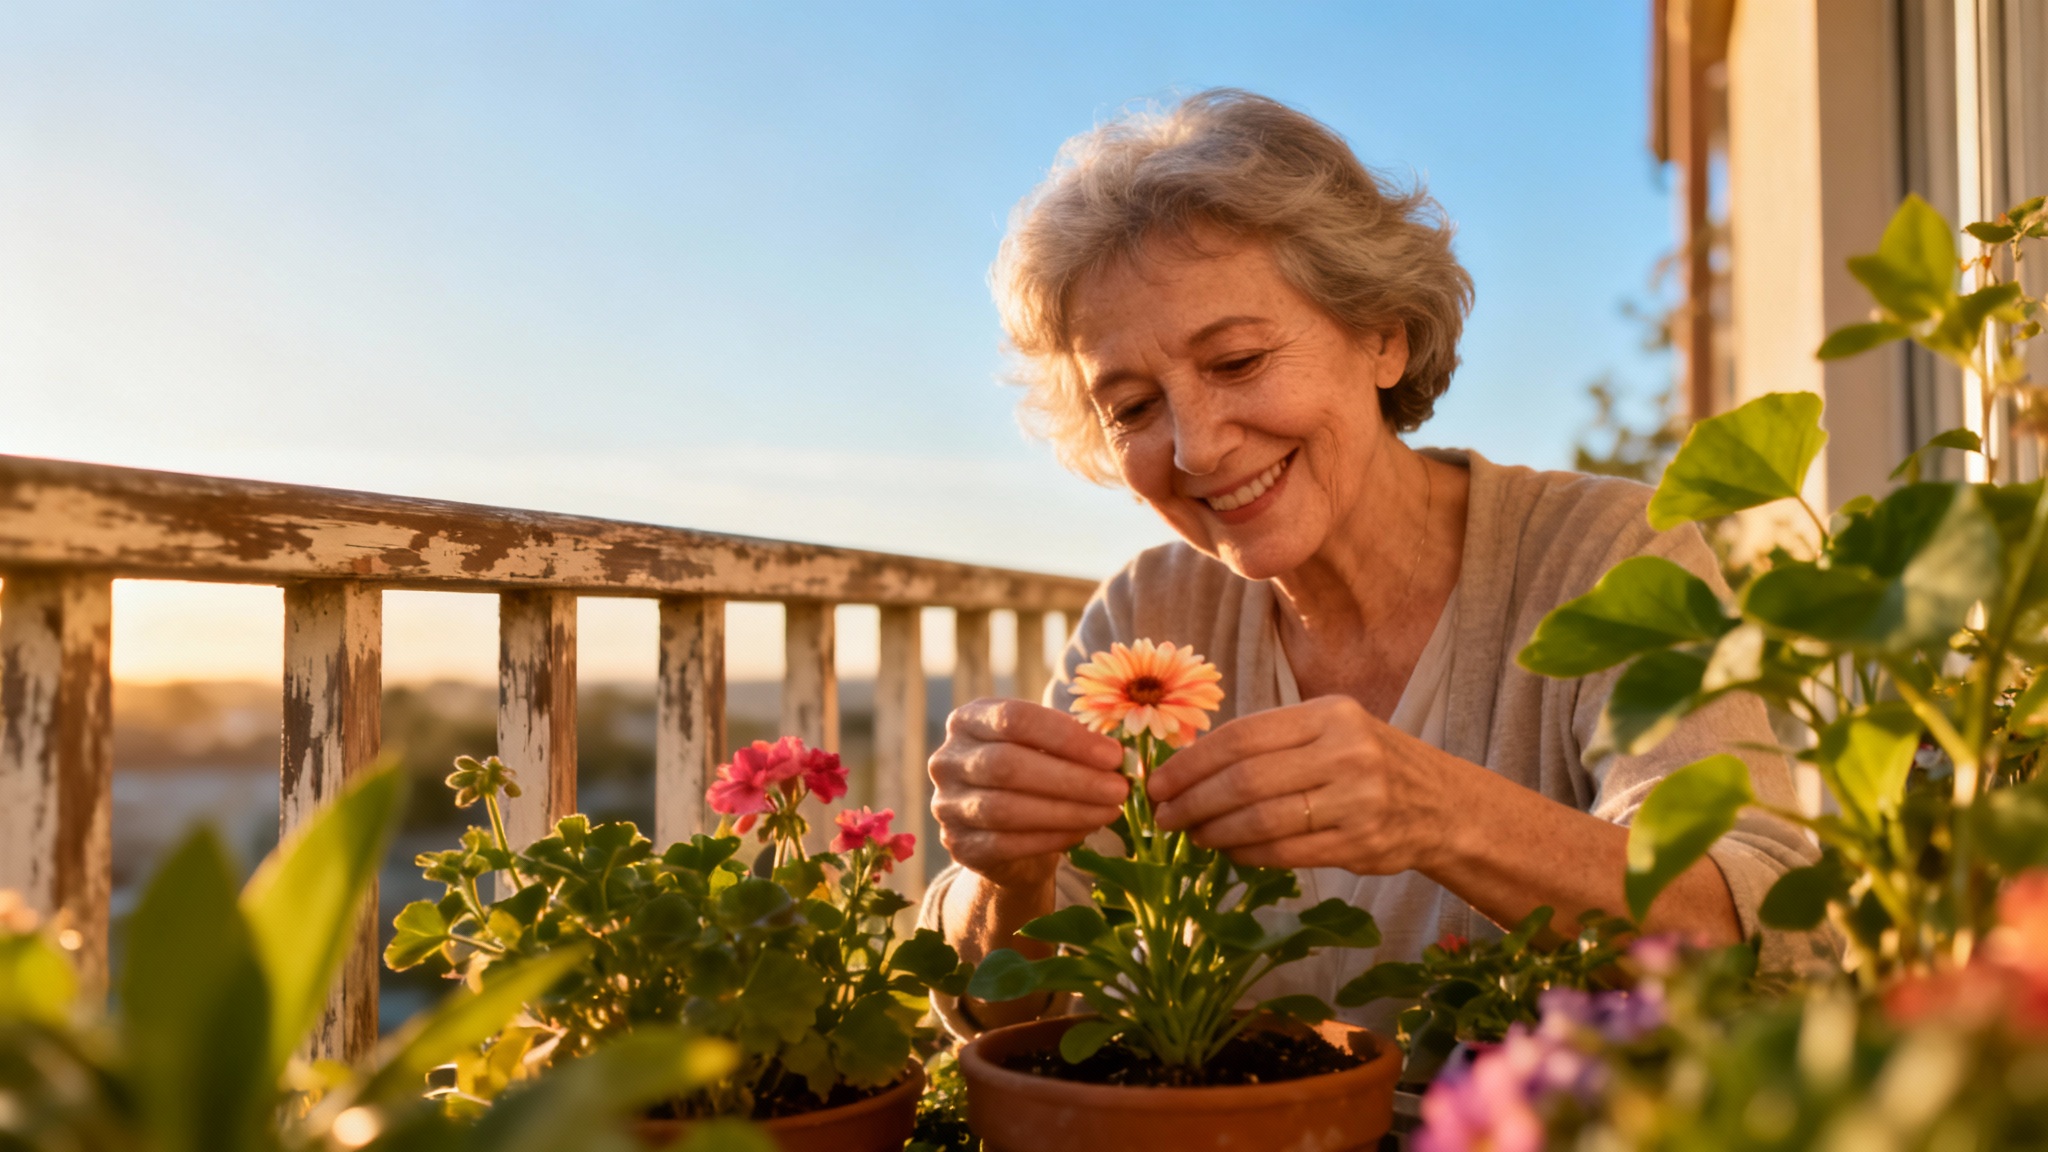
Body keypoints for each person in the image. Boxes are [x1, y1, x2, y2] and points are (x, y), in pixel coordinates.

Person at [920, 89, 1815, 1036]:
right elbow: (1002, 1014)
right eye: (1134, 407)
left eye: (1235, 362)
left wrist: (1435, 811)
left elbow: (1753, 935)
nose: (1196, 448)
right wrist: (1007, 878)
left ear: (1382, 334)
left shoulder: (1611, 556)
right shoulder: (1150, 610)